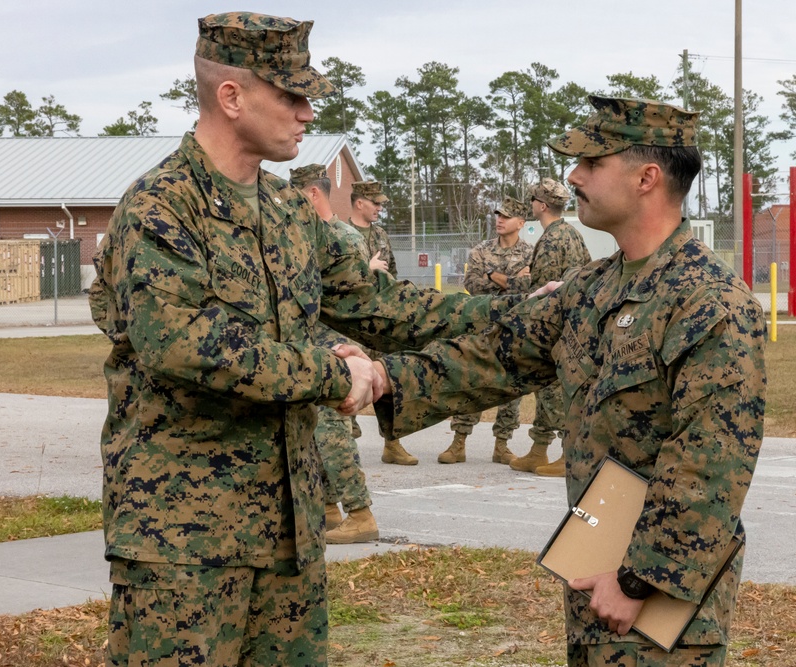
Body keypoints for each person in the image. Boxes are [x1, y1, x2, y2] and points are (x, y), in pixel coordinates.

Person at [88, 13, 521, 666]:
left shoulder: (287, 211)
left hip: (289, 533)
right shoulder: (159, 208)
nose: (307, 111)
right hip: (183, 543)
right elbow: (184, 343)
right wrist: (332, 372)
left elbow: (380, 306)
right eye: (291, 94)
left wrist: (516, 317)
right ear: (231, 97)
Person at [370, 96, 767, 667]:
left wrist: (638, 580)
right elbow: (495, 356)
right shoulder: (592, 288)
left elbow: (712, 462)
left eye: (591, 164)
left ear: (647, 177)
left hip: (659, 609)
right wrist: (379, 379)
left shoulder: (710, 302)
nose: (573, 177)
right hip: (596, 579)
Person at [290, 163, 377, 544]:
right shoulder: (308, 233)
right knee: (315, 431)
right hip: (312, 345)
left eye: (295, 197)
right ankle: (328, 508)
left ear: (312, 194)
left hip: (335, 345)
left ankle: (360, 514)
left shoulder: (340, 237)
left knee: (333, 432)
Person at [438, 195, 533, 465]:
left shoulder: (530, 252)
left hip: (515, 326)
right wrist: (509, 281)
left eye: (506, 216)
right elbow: (472, 284)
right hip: (482, 324)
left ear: (521, 222)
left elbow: (528, 287)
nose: (500, 220)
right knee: (470, 380)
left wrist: (491, 275)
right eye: (498, 215)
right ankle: (458, 443)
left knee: (512, 386)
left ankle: (502, 445)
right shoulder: (480, 250)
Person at [508, 177, 591, 477]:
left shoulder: (551, 239)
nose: (531, 204)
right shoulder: (572, 234)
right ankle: (539, 449)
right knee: (547, 388)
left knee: (557, 390)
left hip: (554, 324)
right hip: (573, 321)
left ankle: (569, 455)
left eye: (533, 200)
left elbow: (543, 286)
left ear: (542, 206)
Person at [346, 179, 417, 465]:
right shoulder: (338, 233)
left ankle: (392, 443)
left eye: (381, 204)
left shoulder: (381, 236)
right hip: (348, 320)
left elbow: (393, 274)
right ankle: (345, 448)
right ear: (359, 202)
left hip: (379, 319)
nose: (379, 208)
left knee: (387, 380)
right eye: (375, 203)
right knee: (347, 379)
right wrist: (366, 268)